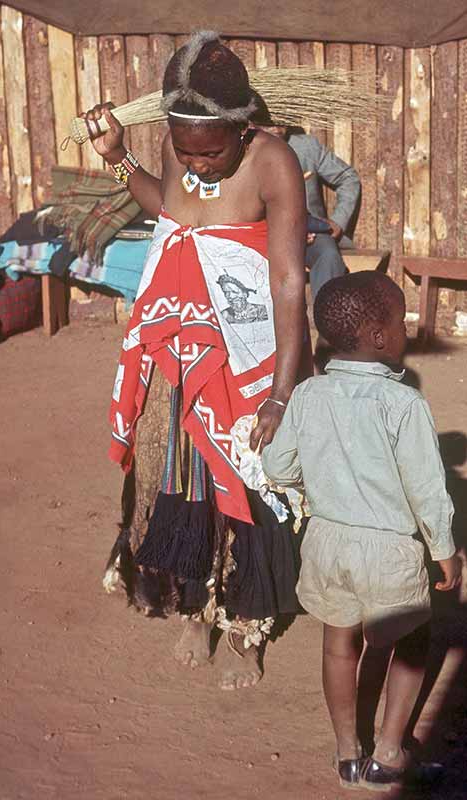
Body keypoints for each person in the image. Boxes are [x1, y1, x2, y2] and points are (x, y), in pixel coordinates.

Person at [85, 31, 312, 690]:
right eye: (185, 152)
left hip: (251, 351)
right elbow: (173, 213)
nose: (198, 166)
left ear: (242, 131)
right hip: (185, 347)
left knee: (248, 481)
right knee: (185, 477)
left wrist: (279, 391)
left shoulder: (273, 163)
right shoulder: (184, 150)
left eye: (210, 153)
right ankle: (196, 607)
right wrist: (121, 158)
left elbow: (289, 281)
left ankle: (245, 627)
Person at [262, 271, 461, 790]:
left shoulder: (306, 396)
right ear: (378, 336)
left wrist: (318, 487)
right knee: (413, 641)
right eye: (399, 321)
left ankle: (347, 752)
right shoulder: (404, 405)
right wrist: (444, 550)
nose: (405, 329)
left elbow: (279, 466)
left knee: (338, 643)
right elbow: (426, 488)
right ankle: (389, 752)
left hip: (326, 544)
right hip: (389, 550)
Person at [261, 126, 361, 300]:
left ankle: (329, 317)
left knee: (328, 255)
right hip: (262, 235)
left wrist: (338, 221)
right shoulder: (243, 153)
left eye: (282, 121)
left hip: (311, 233)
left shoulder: (306, 147)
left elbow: (348, 178)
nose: (277, 127)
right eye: (269, 122)